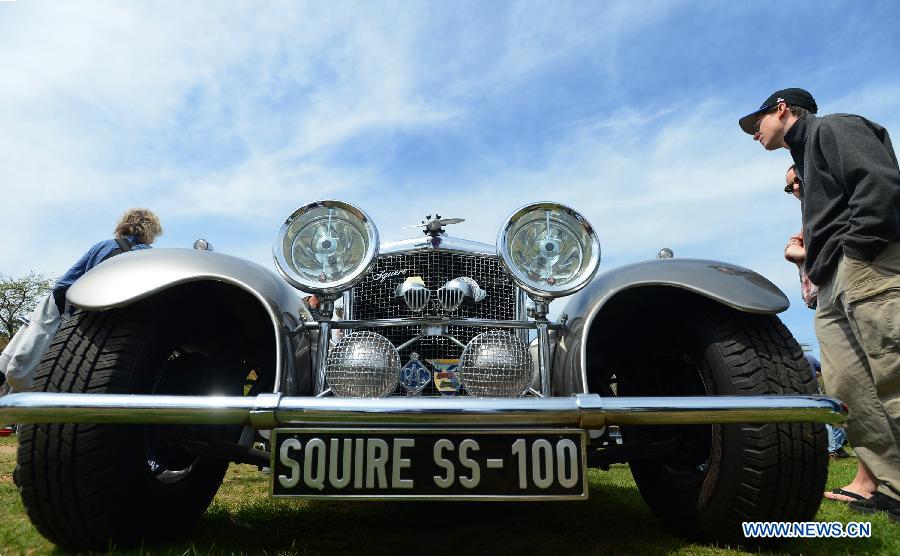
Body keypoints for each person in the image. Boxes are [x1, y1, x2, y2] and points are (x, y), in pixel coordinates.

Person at [740, 88, 900, 517]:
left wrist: (858, 248)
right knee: (849, 389)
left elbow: (880, 183)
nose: (755, 134)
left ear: (781, 109)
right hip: (831, 279)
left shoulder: (834, 127)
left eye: (757, 124)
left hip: (865, 265)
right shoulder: (804, 163)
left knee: (893, 373)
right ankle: (893, 488)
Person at [0, 208, 162, 391]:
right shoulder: (151, 257)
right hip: (119, 328)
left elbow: (65, 285)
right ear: (151, 230)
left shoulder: (104, 247)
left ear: (124, 224)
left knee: (28, 350)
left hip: (80, 316)